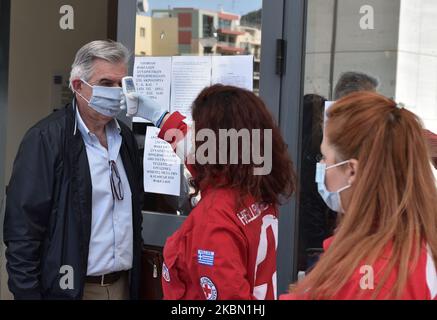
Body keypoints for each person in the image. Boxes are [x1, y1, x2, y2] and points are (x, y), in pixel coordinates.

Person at [125, 84, 296, 300]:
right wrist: (160, 117)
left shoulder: (214, 218)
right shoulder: (254, 185)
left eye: (198, 128)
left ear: (214, 143)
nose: (194, 135)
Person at [3, 40, 143, 300]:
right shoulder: (46, 139)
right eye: (106, 84)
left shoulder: (125, 139)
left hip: (122, 285)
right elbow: (23, 233)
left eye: (120, 84)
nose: (117, 92)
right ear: (79, 86)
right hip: (71, 290)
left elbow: (134, 217)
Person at [282, 91, 437, 300]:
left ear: (352, 170)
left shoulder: (369, 273)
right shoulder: (408, 243)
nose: (321, 167)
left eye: (324, 157)